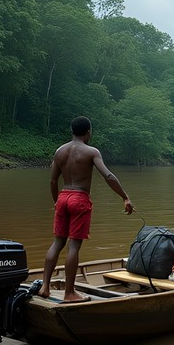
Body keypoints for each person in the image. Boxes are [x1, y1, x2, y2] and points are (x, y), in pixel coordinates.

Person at [39, 116, 134, 302]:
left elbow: (52, 181)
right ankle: (69, 293)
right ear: (88, 131)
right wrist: (125, 197)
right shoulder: (91, 152)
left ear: (72, 131)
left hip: (63, 196)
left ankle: (44, 287)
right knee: (73, 245)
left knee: (57, 242)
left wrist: (56, 201)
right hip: (79, 198)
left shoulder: (60, 151)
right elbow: (108, 176)